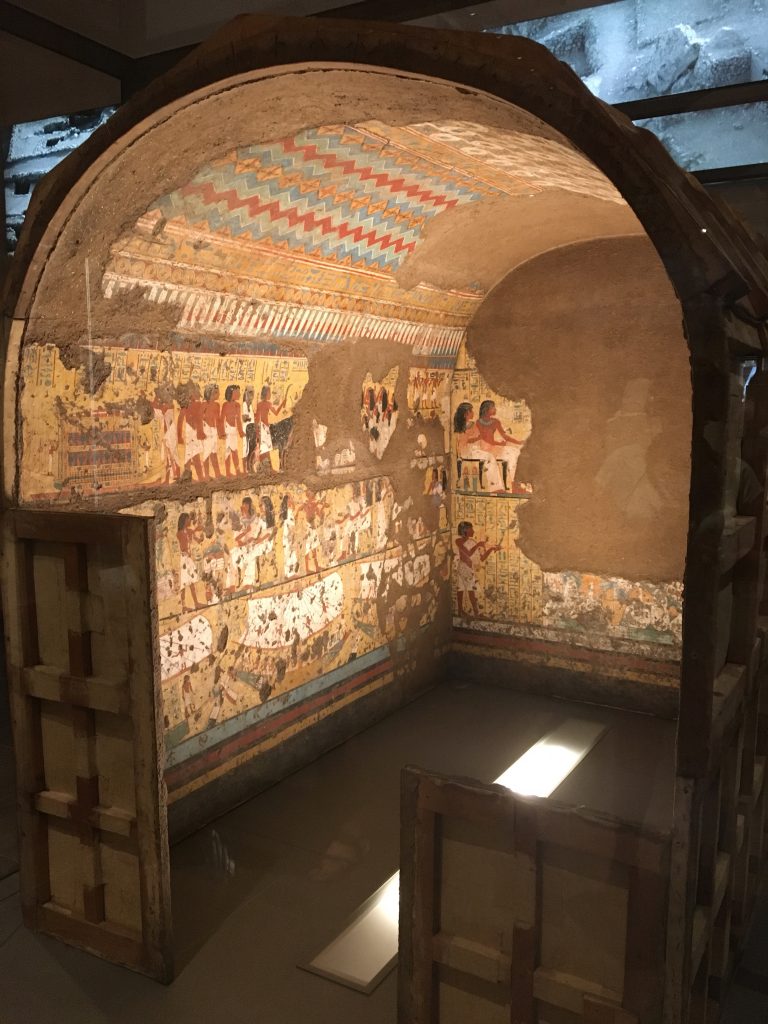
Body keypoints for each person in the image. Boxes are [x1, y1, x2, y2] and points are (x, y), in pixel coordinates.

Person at [454, 520, 500, 617]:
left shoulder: (472, 542)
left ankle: (463, 612)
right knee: (468, 589)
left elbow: (482, 558)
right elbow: (468, 553)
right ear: (465, 530)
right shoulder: (459, 541)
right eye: (471, 529)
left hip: (467, 568)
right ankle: (475, 613)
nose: (473, 531)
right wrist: (478, 545)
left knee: (462, 588)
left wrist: (491, 549)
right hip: (464, 568)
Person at [254, 384, 291, 469]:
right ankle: (266, 467)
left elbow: (257, 419)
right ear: (266, 394)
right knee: (266, 449)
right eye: (269, 393)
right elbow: (276, 412)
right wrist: (282, 403)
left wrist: (257, 430)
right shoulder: (267, 404)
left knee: (265, 449)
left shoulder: (260, 404)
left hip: (263, 427)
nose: (270, 394)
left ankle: (267, 467)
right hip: (265, 428)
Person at [176, 384, 207, 482]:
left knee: (191, 455)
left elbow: (200, 418)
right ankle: (199, 476)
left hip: (194, 431)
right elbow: (180, 421)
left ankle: (190, 475)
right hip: (191, 432)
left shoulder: (197, 404)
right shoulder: (187, 406)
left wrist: (200, 431)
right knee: (193, 455)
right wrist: (179, 436)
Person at [177, 511, 206, 612]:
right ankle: (184, 606)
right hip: (184, 559)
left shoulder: (188, 531)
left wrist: (200, 538)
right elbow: (184, 546)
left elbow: (197, 540)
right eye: (188, 519)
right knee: (184, 583)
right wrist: (193, 531)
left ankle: (196, 603)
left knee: (192, 582)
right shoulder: (180, 533)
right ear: (185, 521)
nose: (190, 520)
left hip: (188, 559)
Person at [221, 384, 245, 476]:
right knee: (228, 451)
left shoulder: (237, 405)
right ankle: (228, 472)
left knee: (234, 451)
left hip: (233, 431)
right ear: (231, 394)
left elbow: (238, 420)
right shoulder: (225, 405)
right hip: (227, 430)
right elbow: (221, 419)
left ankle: (237, 470)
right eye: (237, 393)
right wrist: (222, 432)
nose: (239, 394)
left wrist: (240, 431)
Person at [202, 383, 224, 480]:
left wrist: (220, 432)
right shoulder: (204, 405)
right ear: (210, 393)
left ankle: (217, 474)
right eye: (216, 392)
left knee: (214, 453)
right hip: (206, 431)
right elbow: (199, 418)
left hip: (213, 431)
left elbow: (218, 420)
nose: (218, 394)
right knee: (206, 453)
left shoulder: (217, 405)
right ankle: (206, 475)